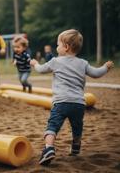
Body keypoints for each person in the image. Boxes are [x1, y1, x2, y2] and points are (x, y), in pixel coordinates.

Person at [30, 29, 114, 166]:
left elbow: (40, 70)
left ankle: (49, 148)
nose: (56, 47)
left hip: (60, 102)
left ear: (66, 47)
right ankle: (75, 146)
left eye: (58, 45)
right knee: (77, 126)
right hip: (79, 104)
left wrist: (35, 64)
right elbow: (96, 73)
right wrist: (105, 67)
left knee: (53, 126)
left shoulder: (55, 61)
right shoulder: (83, 63)